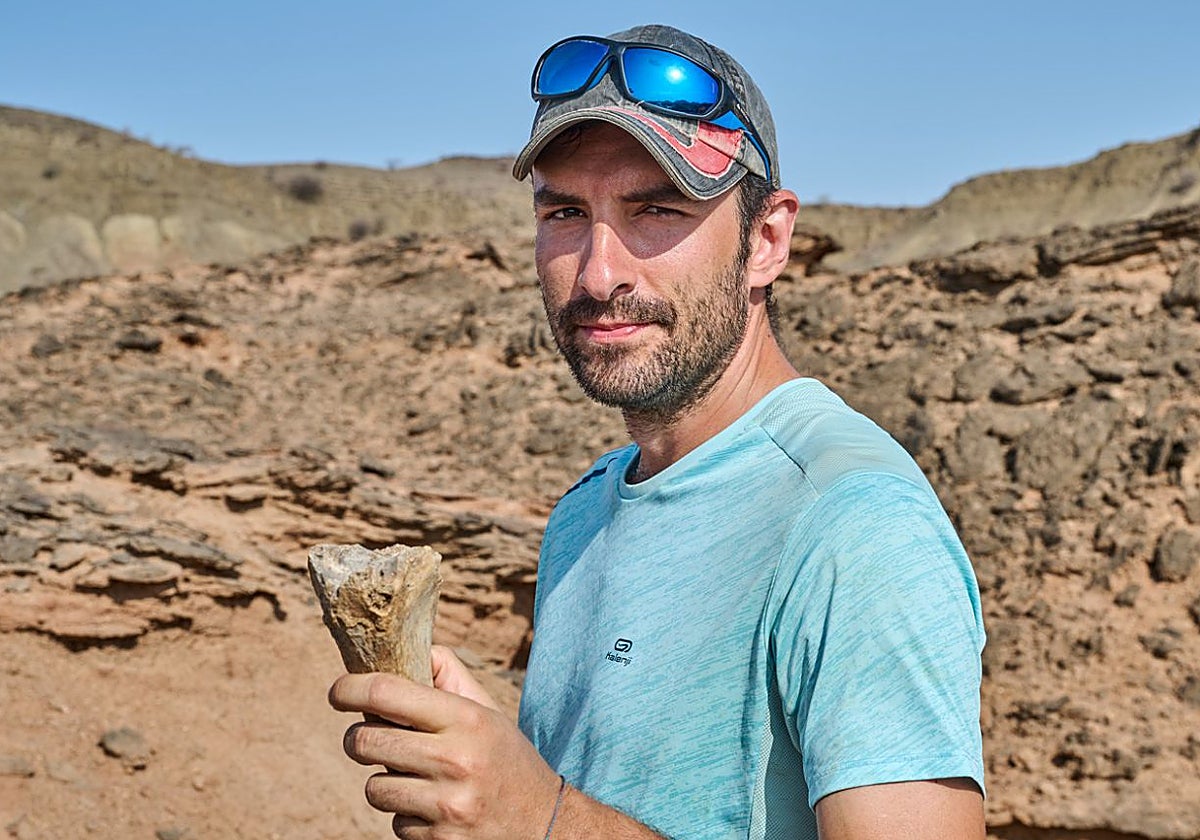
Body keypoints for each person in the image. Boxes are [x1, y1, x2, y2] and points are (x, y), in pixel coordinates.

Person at [328, 23, 987, 840]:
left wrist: (542, 819)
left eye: (657, 210)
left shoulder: (854, 523)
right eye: (566, 212)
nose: (599, 273)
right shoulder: (583, 513)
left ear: (767, 240)